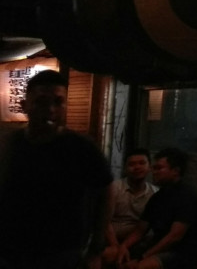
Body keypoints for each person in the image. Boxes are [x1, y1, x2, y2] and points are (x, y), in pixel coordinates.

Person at [0, 69, 114, 269]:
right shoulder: (11, 143)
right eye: (42, 102)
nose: (51, 109)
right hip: (12, 250)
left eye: (58, 102)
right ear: (25, 105)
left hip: (63, 252)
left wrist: (96, 248)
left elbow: (106, 191)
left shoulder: (81, 147)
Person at [118, 147, 197, 269]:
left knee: (140, 267)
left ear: (175, 171)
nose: (154, 171)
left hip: (182, 253)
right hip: (156, 246)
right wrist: (124, 247)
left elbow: (174, 237)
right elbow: (140, 230)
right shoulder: (158, 197)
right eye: (154, 168)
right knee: (111, 255)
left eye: (159, 168)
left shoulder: (187, 196)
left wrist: (143, 257)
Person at [102, 148, 158, 267]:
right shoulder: (115, 188)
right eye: (132, 164)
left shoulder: (155, 193)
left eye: (142, 163)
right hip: (112, 240)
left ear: (149, 167)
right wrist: (116, 246)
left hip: (140, 242)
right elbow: (105, 221)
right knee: (109, 255)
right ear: (125, 168)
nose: (137, 167)